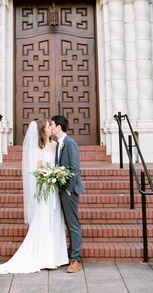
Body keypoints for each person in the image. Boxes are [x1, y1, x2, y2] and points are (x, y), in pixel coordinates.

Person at [0, 119, 68, 274]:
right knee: (44, 220)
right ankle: (44, 257)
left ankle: (57, 256)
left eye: (51, 126)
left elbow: (58, 165)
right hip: (44, 189)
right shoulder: (39, 148)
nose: (51, 128)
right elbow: (37, 171)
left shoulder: (56, 145)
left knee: (55, 219)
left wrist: (56, 175)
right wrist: (46, 177)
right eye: (48, 126)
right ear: (43, 131)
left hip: (54, 189)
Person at [51, 114, 85, 273]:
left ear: (59, 127)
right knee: (68, 224)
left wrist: (70, 189)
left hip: (69, 191)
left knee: (73, 224)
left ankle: (76, 260)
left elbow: (75, 168)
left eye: (52, 125)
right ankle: (71, 254)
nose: (50, 127)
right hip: (61, 189)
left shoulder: (70, 143)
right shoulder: (58, 144)